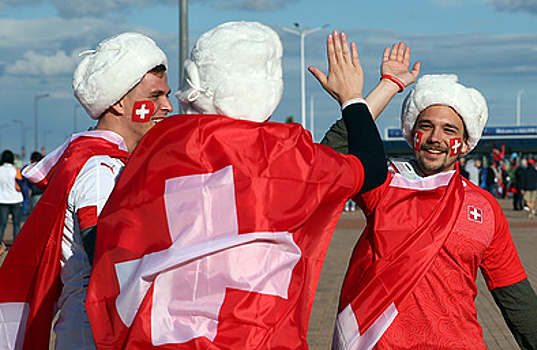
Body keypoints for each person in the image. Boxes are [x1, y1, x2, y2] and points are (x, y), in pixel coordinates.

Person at [85, 22, 398, 349]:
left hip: (161, 336)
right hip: (255, 335)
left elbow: (113, 240)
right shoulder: (286, 155)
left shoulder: (159, 148)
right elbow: (371, 167)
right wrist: (352, 98)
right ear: (268, 87)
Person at [322, 74, 537, 349]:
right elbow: (327, 161)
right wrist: (386, 87)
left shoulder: (486, 207)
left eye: (449, 130)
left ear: (464, 144)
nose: (435, 138)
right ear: (411, 133)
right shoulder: (385, 182)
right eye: (425, 126)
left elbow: (515, 296)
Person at [0, 32, 172, 349]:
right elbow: (109, 260)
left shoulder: (113, 162)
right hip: (93, 335)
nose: (167, 106)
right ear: (119, 102)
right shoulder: (100, 170)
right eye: (154, 97)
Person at [0, 149, 24, 254]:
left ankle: (0, 243)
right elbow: (20, 185)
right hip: (16, 199)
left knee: (2, 223)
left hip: (2, 199)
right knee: (16, 224)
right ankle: (17, 246)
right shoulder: (16, 170)